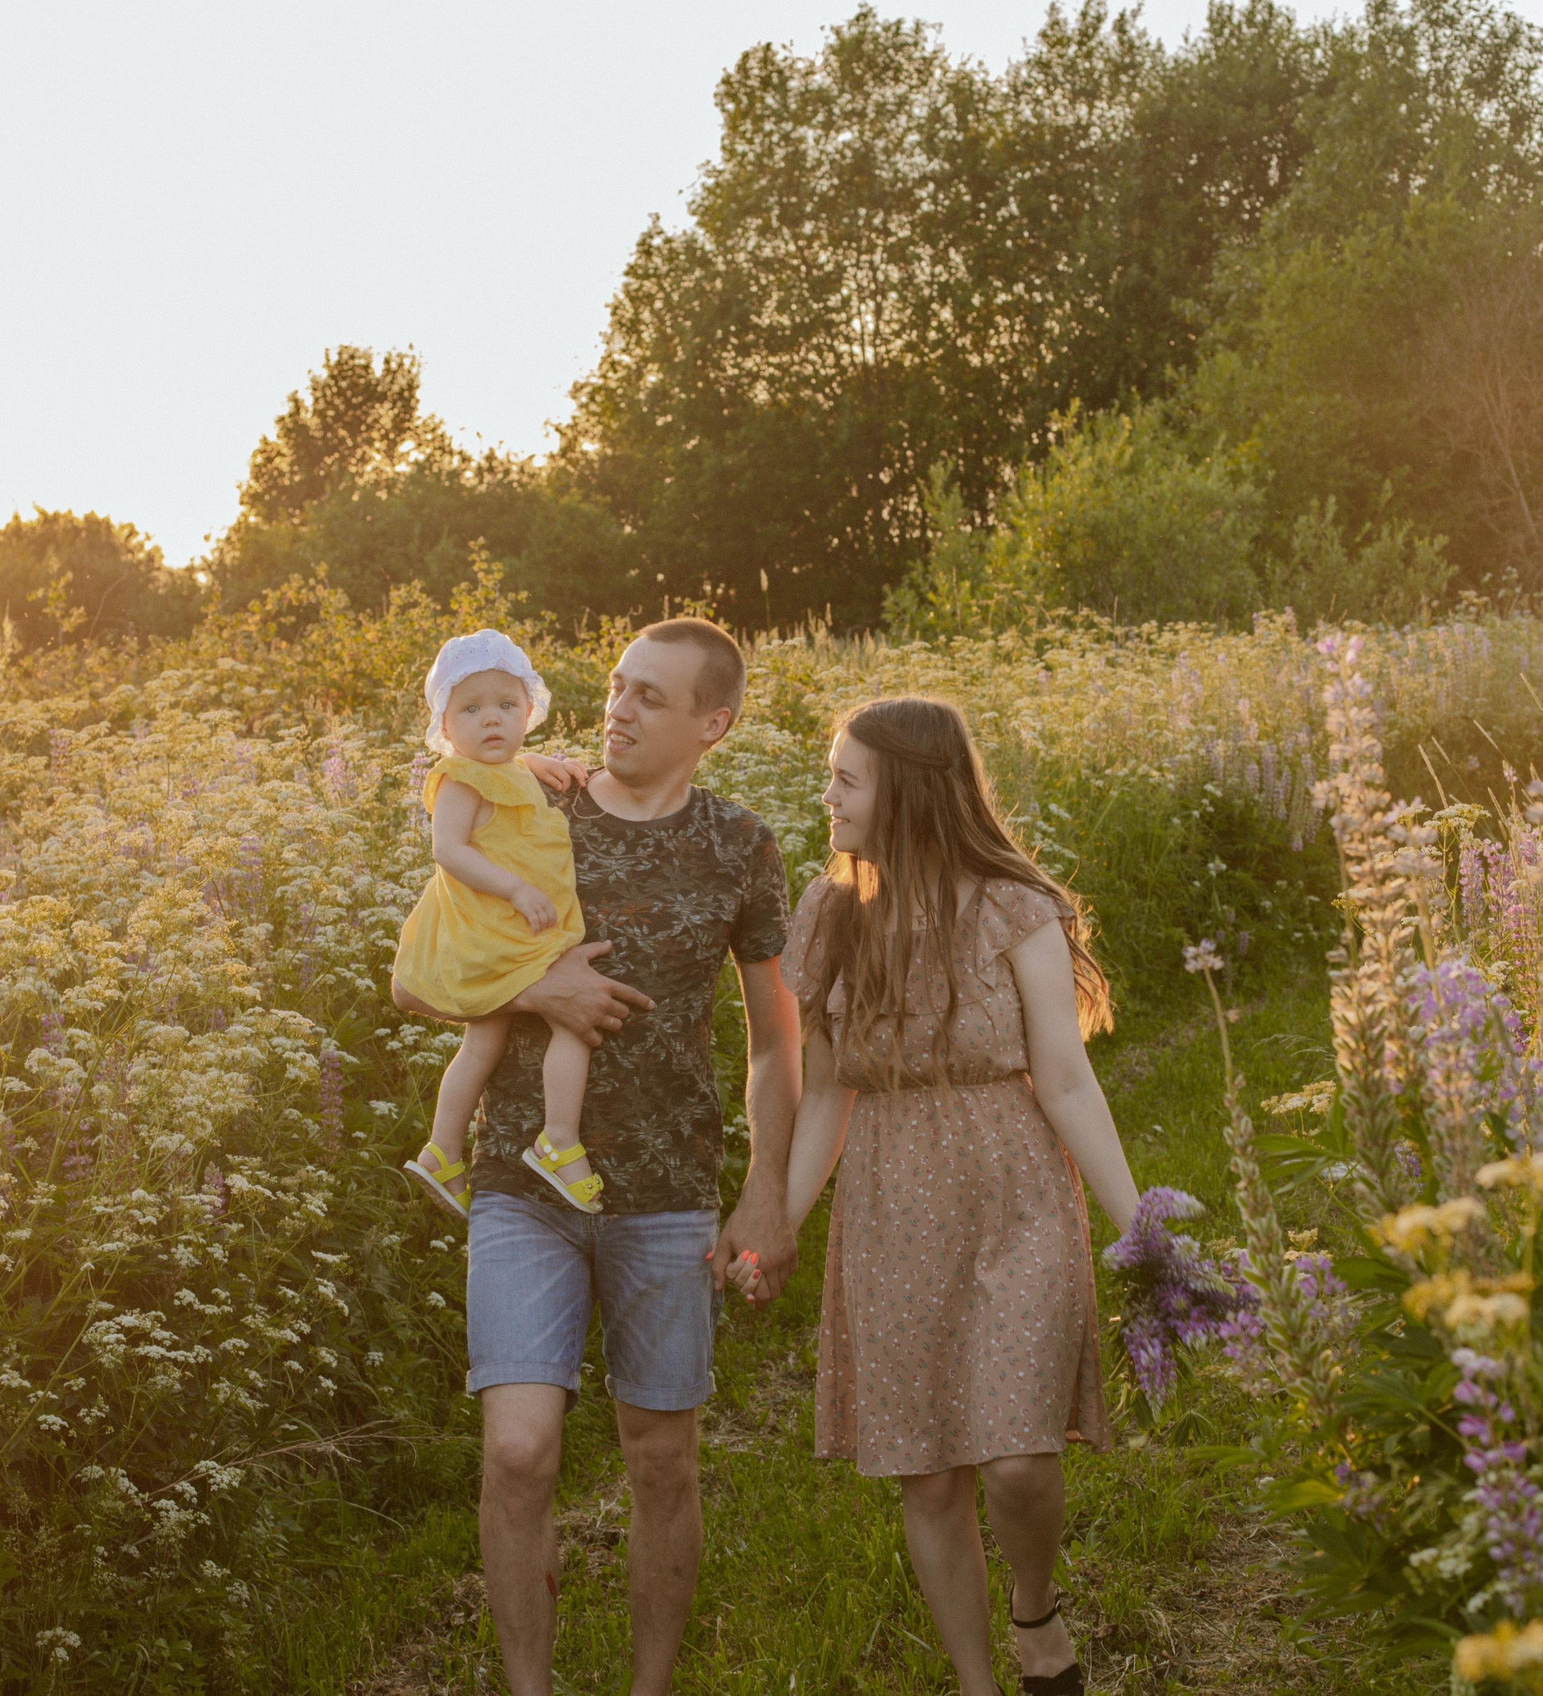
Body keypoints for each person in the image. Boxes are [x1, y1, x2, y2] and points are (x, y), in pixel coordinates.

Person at [391, 617, 802, 1696]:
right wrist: (535, 989)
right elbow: (412, 981)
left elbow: (776, 1040)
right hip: (523, 1186)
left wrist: (766, 1194)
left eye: (651, 698)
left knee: (660, 1457)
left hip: (668, 1188)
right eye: (617, 687)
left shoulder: (740, 845)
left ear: (712, 723)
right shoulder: (530, 796)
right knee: (519, 1450)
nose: (617, 709)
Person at [742, 696, 1143, 1696]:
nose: (825, 794)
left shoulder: (1014, 905)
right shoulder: (831, 912)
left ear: (908, 792)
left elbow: (1063, 1076)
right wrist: (776, 1227)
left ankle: (1035, 1615)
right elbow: (828, 1089)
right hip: (890, 1197)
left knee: (1015, 1458)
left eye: (845, 778)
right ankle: (978, 1679)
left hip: (1012, 1187)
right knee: (926, 1469)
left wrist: (1140, 1227)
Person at [393, 629, 604, 1218]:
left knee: (484, 1039)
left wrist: (546, 761)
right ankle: (558, 1140)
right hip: (495, 927)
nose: (492, 720)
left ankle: (442, 1152)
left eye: (507, 706)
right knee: (574, 1021)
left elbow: (510, 766)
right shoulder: (459, 779)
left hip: (508, 926)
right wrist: (514, 887)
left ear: (529, 711)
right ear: (446, 725)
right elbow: (448, 850)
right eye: (472, 708)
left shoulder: (508, 766)